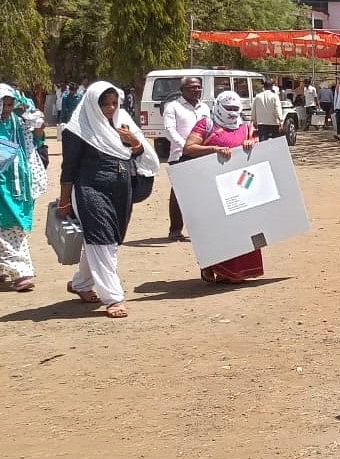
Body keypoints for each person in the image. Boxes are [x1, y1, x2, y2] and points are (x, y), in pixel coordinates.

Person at [60, 82, 159, 319]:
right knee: (102, 241)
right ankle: (113, 298)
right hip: (90, 189)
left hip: (120, 189)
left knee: (108, 240)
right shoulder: (76, 130)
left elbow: (138, 153)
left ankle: (81, 283)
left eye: (114, 103)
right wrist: (65, 201)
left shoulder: (122, 122)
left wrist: (133, 141)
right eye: (105, 104)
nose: (110, 108)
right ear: (94, 104)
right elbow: (69, 169)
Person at [183, 91, 263, 284]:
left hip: (241, 187)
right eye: (228, 109)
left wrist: (251, 143)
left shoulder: (247, 127)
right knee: (215, 229)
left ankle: (237, 272)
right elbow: (189, 147)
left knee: (242, 228)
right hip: (211, 187)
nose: (232, 113)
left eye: (236, 109)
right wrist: (213, 150)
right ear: (218, 106)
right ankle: (213, 267)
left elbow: (260, 147)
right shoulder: (206, 125)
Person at [0, 85, 48, 292]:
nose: (7, 109)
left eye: (10, 104)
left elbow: (36, 140)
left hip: (19, 181)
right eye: (4, 104)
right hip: (3, 182)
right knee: (8, 227)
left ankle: (16, 269)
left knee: (13, 226)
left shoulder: (18, 123)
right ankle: (21, 271)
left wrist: (37, 125)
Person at [162, 77, 208, 242]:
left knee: (201, 193)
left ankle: (200, 229)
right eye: (192, 87)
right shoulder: (173, 107)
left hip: (202, 154)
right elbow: (170, 131)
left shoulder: (205, 107)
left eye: (198, 87)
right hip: (180, 155)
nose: (196, 90)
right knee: (179, 194)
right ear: (183, 90)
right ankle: (175, 230)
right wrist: (186, 146)